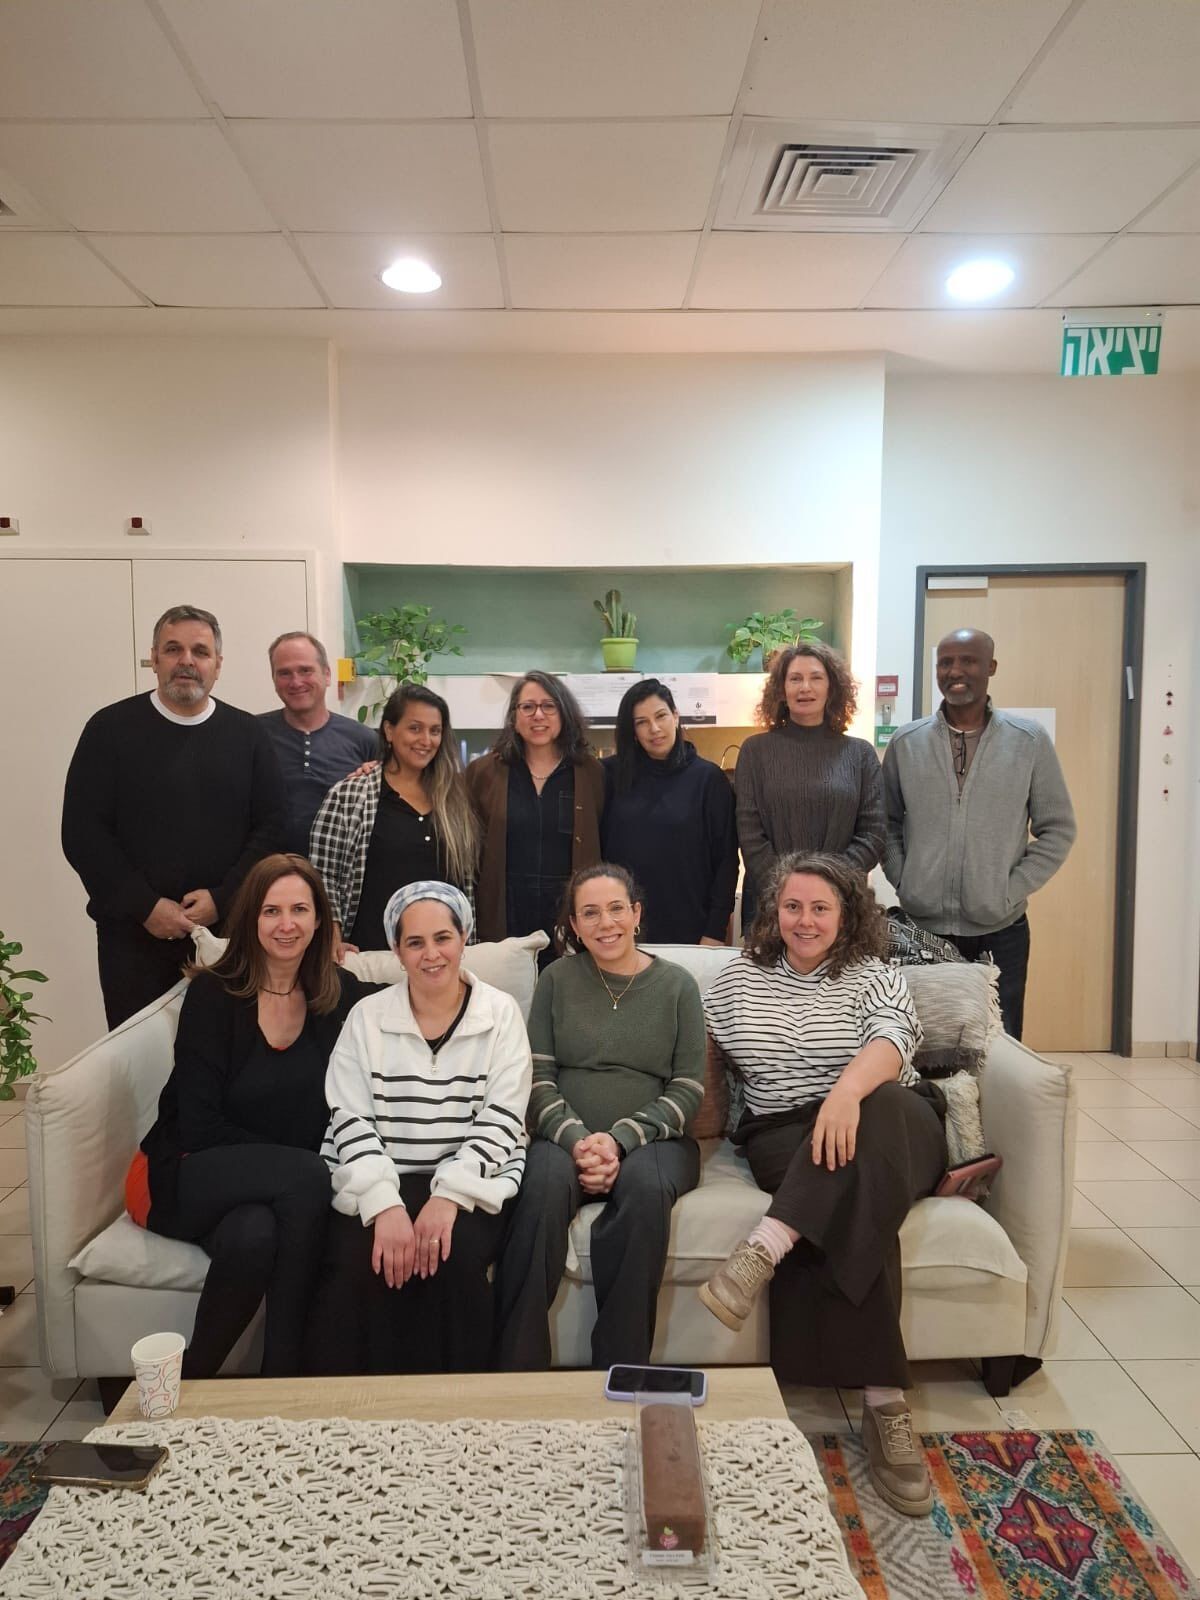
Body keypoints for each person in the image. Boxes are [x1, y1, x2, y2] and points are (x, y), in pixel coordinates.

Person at [700, 852, 947, 1518]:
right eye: (792, 907)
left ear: (846, 914)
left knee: (880, 1112)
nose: (804, 921)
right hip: (784, 1133)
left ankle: (767, 1244)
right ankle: (885, 1402)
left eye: (820, 908)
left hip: (892, 1121)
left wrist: (844, 1094)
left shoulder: (875, 973)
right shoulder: (737, 979)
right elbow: (698, 1054)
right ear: (773, 912)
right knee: (862, 1193)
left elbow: (893, 1040)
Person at [125, 854, 373, 1378]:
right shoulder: (212, 995)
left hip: (270, 1193)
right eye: (271, 911)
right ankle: (283, 1374)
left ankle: (188, 1386)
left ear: (319, 920)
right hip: (183, 1169)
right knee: (309, 1175)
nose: (287, 924)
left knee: (254, 1235)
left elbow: (413, 1002)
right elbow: (198, 1126)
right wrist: (284, 1169)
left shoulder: (338, 994)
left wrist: (463, 982)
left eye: (299, 910)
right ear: (250, 919)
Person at [307, 882, 531, 1375]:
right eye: (415, 942)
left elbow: (503, 1117)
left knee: (452, 1258)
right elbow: (349, 1116)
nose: (431, 954)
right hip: (381, 1173)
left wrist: (448, 1197)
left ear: (464, 937)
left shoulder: (500, 1014)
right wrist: (383, 1204)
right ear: (397, 950)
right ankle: (358, 1408)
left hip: (472, 1181)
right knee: (360, 1262)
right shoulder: (366, 1017)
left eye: (443, 938)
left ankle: (455, 1407)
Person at [494, 864, 705, 1371]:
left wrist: (619, 1141)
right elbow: (537, 1078)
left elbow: (688, 1089)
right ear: (574, 923)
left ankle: (620, 1370)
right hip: (564, 1138)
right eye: (590, 913)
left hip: (655, 1143)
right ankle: (514, 1371)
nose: (605, 923)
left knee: (646, 1191)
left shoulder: (677, 985)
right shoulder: (557, 980)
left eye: (616, 909)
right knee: (540, 1187)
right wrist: (578, 1140)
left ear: (636, 913)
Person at [62, 604, 286, 1029]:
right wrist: (145, 905)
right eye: (172, 649)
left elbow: (272, 827)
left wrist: (223, 898)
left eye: (200, 651)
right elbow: (83, 833)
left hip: (228, 936)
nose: (187, 661)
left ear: (218, 664)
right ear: (154, 658)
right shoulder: (109, 730)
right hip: (133, 938)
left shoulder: (248, 735)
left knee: (227, 1050)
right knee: (140, 1056)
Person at [881, 628, 1076, 1040]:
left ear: (991, 667)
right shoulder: (907, 742)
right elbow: (886, 822)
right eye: (945, 662)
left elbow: (1058, 829)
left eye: (968, 661)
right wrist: (904, 879)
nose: (955, 671)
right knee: (926, 1041)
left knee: (998, 1043)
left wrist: (1009, 890)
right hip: (922, 928)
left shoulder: (1028, 741)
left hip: (1001, 930)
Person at [309, 683, 477, 959]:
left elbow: (465, 884)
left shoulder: (455, 798)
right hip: (370, 956)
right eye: (415, 728)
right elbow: (323, 874)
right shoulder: (350, 795)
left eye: (435, 731)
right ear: (389, 731)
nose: (426, 740)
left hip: (439, 958)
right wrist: (332, 935)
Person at [735, 642, 884, 921]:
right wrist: (790, 893)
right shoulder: (755, 751)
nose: (805, 687)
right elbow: (750, 834)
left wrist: (828, 889)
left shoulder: (860, 754)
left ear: (832, 688)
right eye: (795, 679)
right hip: (771, 906)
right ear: (781, 690)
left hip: (842, 906)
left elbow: (873, 835)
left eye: (816, 678)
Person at [466, 671, 605, 965]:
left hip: (568, 912)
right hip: (505, 909)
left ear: (564, 713)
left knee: (566, 986)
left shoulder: (591, 773)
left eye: (548, 706)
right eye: (527, 707)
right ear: (514, 717)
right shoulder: (483, 773)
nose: (538, 715)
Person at [601, 679, 737, 946]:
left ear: (675, 716)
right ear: (632, 730)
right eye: (641, 722)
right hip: (619, 929)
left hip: (691, 930)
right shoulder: (609, 775)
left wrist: (715, 930)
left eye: (661, 716)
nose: (654, 729)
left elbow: (726, 860)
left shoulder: (708, 779)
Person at [258, 631, 377, 857]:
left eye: (305, 670)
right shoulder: (253, 735)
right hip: (270, 872)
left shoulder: (364, 740)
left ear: (327, 674)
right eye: (284, 673)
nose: (296, 682)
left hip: (341, 871)